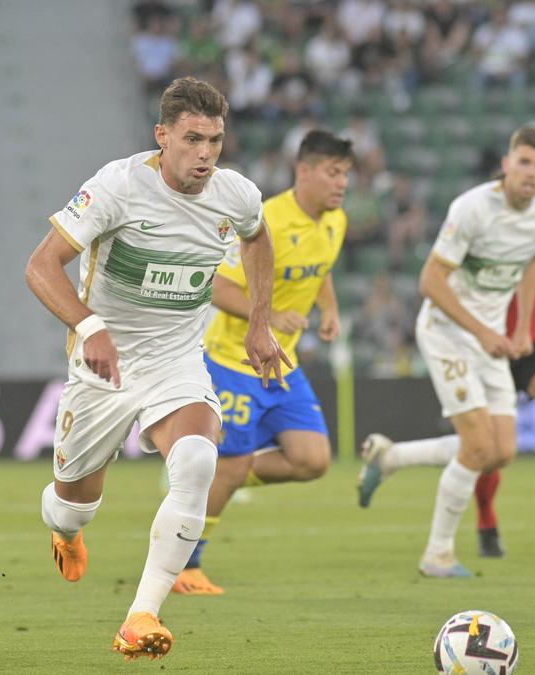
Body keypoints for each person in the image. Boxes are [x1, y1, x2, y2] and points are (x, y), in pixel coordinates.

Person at [23, 77, 287, 661]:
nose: (205, 155)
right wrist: (89, 327)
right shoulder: (117, 187)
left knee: (196, 458)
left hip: (176, 359)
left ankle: (141, 615)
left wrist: (259, 322)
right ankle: (65, 531)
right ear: (162, 136)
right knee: (74, 503)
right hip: (104, 364)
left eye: (215, 141)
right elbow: (42, 266)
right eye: (193, 139)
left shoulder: (236, 194)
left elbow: (257, 237)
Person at [356, 125, 535, 578]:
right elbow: (430, 281)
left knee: (501, 450)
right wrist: (483, 331)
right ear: (507, 164)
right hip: (447, 330)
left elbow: (532, 263)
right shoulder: (471, 209)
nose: (530, 173)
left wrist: (526, 327)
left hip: (489, 336)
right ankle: (437, 554)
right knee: (476, 444)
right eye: (523, 162)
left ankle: (390, 458)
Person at [171, 130, 354, 596]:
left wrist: (328, 308)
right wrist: (268, 314)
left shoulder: (336, 222)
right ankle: (186, 565)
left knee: (313, 460)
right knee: (230, 469)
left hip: (283, 364)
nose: (341, 184)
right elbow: (218, 286)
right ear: (304, 171)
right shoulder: (264, 219)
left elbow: (320, 267)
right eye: (333, 173)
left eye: (346, 175)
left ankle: (227, 471)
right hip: (234, 360)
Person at [357, 222, 535, 560]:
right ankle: (486, 524)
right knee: (486, 447)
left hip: (529, 338)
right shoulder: (483, 223)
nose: (533, 179)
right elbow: (439, 276)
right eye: (526, 165)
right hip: (479, 339)